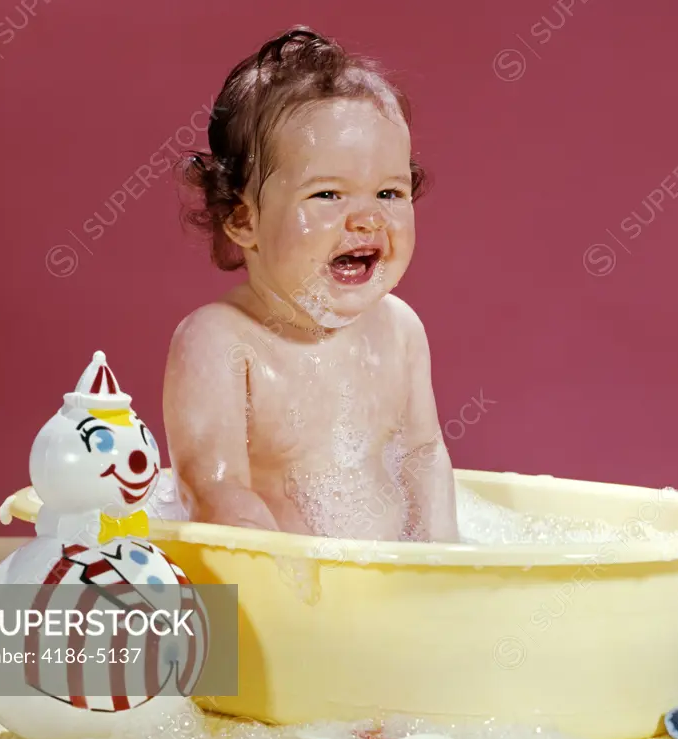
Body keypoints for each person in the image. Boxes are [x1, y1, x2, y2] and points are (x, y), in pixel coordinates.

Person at [163, 27, 459, 542]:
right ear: (243, 219)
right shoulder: (220, 342)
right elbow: (211, 487)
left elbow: (423, 456)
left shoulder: (399, 329)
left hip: (390, 586)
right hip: (286, 597)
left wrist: (442, 560)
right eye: (327, 195)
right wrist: (279, 576)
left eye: (389, 192)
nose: (367, 219)